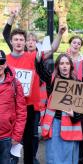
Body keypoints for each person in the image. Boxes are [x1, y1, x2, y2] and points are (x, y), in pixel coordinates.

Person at [2, 11, 66, 164]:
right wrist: (11, 18)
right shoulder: (5, 61)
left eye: (21, 40)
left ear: (25, 43)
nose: (18, 42)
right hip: (11, 106)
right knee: (11, 140)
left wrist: (59, 34)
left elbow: (52, 49)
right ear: (11, 41)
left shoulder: (33, 56)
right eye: (15, 39)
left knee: (30, 140)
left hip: (30, 106)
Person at [36, 53, 83, 164]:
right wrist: (38, 58)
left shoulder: (78, 84)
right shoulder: (51, 82)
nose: (64, 66)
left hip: (70, 126)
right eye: (61, 63)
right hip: (54, 125)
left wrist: (75, 114)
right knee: (54, 158)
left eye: (67, 63)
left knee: (68, 159)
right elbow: (41, 70)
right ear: (57, 66)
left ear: (71, 66)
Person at [0, 50, 27, 164]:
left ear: (5, 64)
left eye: (1, 62)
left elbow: (21, 111)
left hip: (7, 138)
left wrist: (17, 135)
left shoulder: (15, 84)